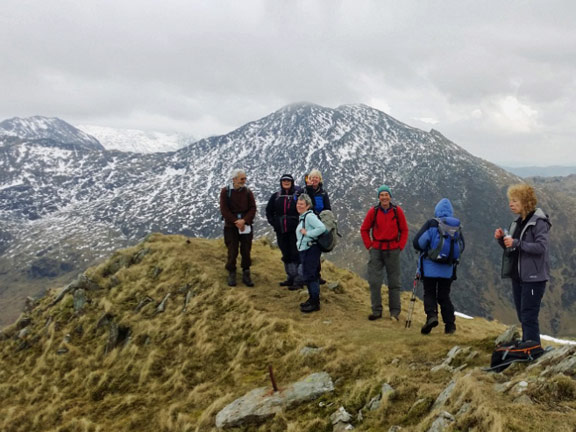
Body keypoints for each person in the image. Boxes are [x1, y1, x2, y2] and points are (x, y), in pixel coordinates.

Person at [494, 184, 551, 344]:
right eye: (510, 201)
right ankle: (528, 347)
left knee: (529, 315)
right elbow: (513, 249)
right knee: (522, 315)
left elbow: (541, 247)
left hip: (534, 279)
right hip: (519, 277)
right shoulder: (518, 222)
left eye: (514, 201)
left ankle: (532, 350)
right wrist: (502, 239)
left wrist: (517, 243)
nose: (510, 204)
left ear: (525, 202)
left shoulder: (538, 222)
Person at [413, 198, 464, 335]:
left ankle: (432, 317)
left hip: (430, 268)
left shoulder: (432, 224)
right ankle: (450, 325)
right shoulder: (456, 226)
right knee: (444, 296)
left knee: (429, 293)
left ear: (437, 210)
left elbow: (418, 242)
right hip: (447, 269)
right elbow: (461, 246)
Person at [360, 185, 409, 321]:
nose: (384, 197)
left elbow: (404, 229)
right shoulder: (373, 212)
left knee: (394, 282)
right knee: (375, 282)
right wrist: (369, 246)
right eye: (381, 195)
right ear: (378, 197)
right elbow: (364, 229)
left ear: (390, 196)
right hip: (376, 250)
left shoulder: (397, 211)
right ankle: (376, 311)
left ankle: (394, 312)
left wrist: (400, 246)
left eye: (386, 194)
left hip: (393, 249)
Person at [219, 168, 257, 287]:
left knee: (246, 249)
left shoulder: (247, 192)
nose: (244, 181)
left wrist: (244, 221)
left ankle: (246, 271)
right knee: (232, 250)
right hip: (231, 226)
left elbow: (252, 208)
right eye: (242, 179)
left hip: (245, 225)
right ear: (234, 179)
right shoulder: (225, 192)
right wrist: (236, 221)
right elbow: (224, 210)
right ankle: (231, 271)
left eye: (245, 178)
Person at [265, 174, 302, 289]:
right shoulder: (276, 196)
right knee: (286, 253)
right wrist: (274, 223)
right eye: (284, 181)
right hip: (281, 230)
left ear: (292, 182)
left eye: (288, 181)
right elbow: (268, 211)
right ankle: (290, 277)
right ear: (281, 182)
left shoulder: (297, 195)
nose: (286, 182)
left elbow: (303, 208)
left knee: (295, 253)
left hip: (295, 230)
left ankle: (298, 279)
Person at [296, 194, 326, 313]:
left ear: (308, 206)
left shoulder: (309, 216)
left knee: (311, 276)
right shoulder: (303, 216)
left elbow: (321, 228)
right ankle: (311, 299)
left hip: (311, 250)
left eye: (302, 204)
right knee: (309, 275)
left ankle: (315, 303)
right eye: (298, 203)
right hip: (306, 250)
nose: (299, 205)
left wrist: (307, 233)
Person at [305, 168, 331, 284]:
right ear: (308, 179)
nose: (314, 179)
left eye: (316, 177)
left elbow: (328, 210)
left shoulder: (323, 193)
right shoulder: (304, 191)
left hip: (319, 226)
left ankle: (317, 275)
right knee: (307, 251)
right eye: (312, 177)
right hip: (307, 225)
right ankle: (309, 276)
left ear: (320, 179)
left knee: (316, 251)